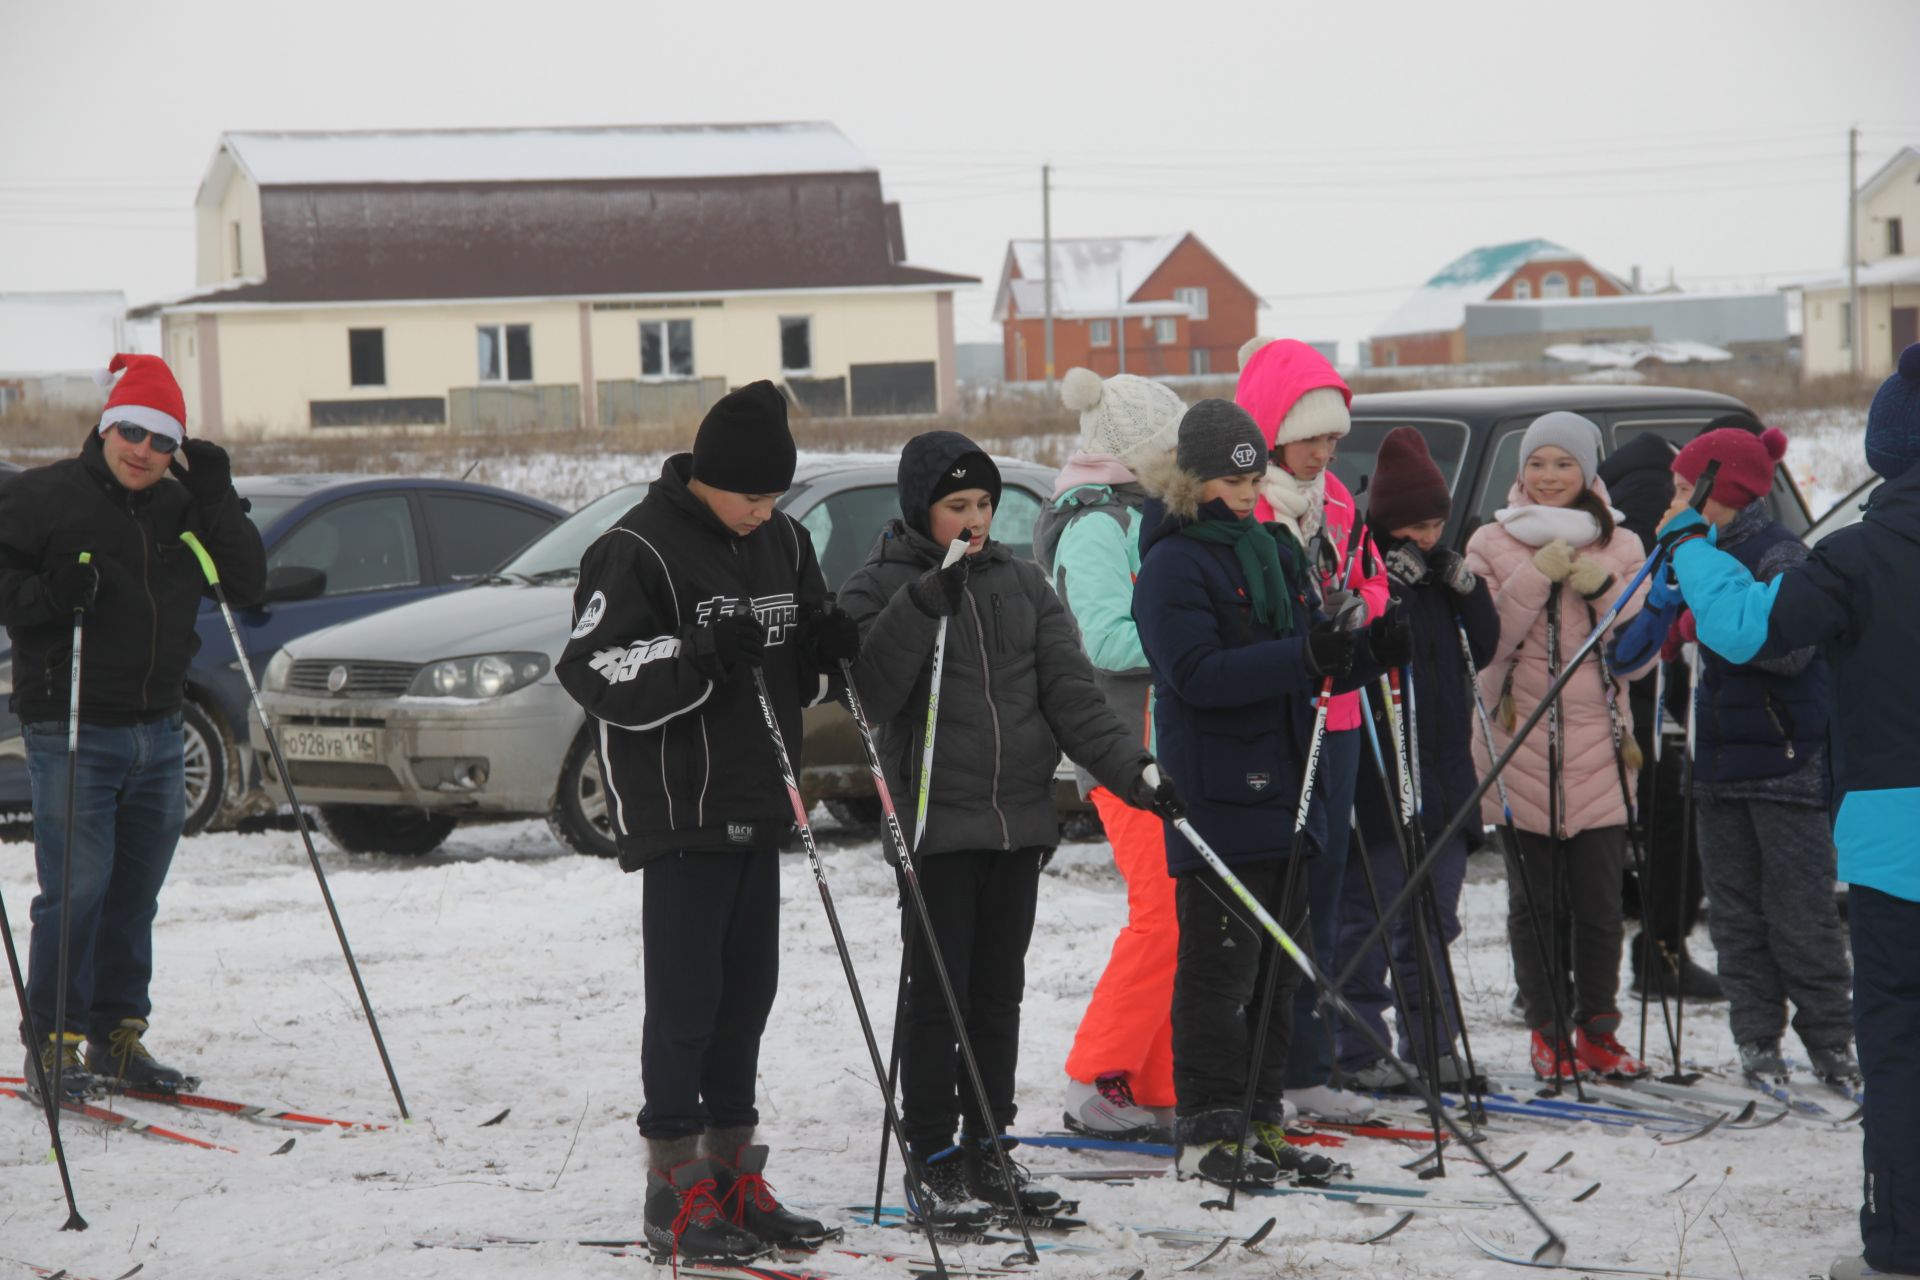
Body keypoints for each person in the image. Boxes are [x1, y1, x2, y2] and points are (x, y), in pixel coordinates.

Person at [556, 381, 858, 1263]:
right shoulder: (637, 548)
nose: (763, 514)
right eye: (750, 497)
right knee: (686, 1003)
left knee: (746, 996)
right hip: (681, 809)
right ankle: (672, 1185)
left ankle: (731, 1175)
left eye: (775, 498)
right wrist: (692, 653)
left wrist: (823, 648)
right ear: (707, 480)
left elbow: (790, 661)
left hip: (760, 795)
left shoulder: (785, 541)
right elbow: (593, 668)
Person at [839, 428, 1172, 1225]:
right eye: (958, 506)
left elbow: (1073, 699)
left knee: (996, 998)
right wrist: (923, 603)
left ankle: (989, 1148)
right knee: (937, 1000)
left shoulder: (1022, 585)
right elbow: (868, 691)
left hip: (1015, 826)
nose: (976, 519)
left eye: (985, 503)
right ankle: (934, 1156)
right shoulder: (879, 586)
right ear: (923, 509)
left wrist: (1136, 771)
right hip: (935, 830)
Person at [1657, 345, 1920, 1280]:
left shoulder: (1856, 555)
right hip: (1893, 833)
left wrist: (1689, 544)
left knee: (1897, 1031)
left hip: (1900, 842)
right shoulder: (1851, 552)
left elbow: (1742, 626)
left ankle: (1903, 1239)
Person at [1133, 398, 1405, 1188]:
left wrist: (1365, 654)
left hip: (1291, 784)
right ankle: (1209, 1132)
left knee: (1279, 972)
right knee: (1221, 972)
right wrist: (1304, 658)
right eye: (1228, 482)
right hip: (1217, 794)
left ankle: (1260, 1121)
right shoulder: (1173, 564)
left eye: (1253, 483)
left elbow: (1308, 664)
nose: (1246, 499)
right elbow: (1197, 676)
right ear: (1192, 481)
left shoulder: (1272, 552)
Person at [0, 353, 265, 1101]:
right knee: (76, 891)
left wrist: (218, 495)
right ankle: (53, 1043)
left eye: (159, 439)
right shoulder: (44, 497)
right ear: (105, 425)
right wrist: (49, 594)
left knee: (133, 894)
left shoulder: (185, 507)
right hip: (72, 725)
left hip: (159, 729)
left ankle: (118, 1038)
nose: (141, 451)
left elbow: (247, 584)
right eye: (130, 431)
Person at [1660, 426, 1856, 1087]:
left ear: (1726, 492)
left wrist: (1706, 628)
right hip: (1718, 766)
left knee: (1800, 914)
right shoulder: (1690, 553)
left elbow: (1794, 647)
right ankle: (1755, 1039)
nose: (1676, 499)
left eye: (1687, 488)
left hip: (1785, 764)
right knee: (1735, 914)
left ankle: (1831, 1041)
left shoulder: (1781, 555)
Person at [1464, 411, 1654, 1082]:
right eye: (1538, 463)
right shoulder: (1491, 542)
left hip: (1601, 751)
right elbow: (1484, 645)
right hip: (1519, 747)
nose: (1549, 477)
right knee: (1536, 906)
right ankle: (1548, 1033)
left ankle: (1599, 1032)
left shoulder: (1623, 546)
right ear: (1521, 471)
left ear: (1588, 472)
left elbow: (1636, 659)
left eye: (1563, 464)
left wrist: (1602, 589)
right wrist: (1534, 578)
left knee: (1602, 906)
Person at [1235, 336, 1389, 1124]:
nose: (1322, 455)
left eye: (1333, 440)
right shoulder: (1246, 501)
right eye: (1310, 439)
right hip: (1280, 716)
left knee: (1325, 890)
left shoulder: (1336, 501)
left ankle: (1310, 1063)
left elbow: (1371, 578)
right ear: (1270, 430)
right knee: (1278, 894)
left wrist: (1364, 605)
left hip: (1344, 715)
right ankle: (1262, 1066)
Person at [1033, 368, 1186, 1139]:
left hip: (1167, 748)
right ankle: (1092, 1076)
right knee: (1159, 916)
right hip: (1122, 751)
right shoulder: (1095, 524)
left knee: (1179, 917)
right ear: (1135, 451)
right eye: (1170, 447)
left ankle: (1152, 1082)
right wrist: (1193, 644)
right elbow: (1101, 640)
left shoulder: (1143, 512)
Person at [1335, 427, 1499, 1088]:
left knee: (1436, 919)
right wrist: (1386, 594)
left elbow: (1481, 649)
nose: (1428, 537)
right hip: (1382, 777)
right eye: (1415, 525)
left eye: (1436, 523)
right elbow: (1359, 651)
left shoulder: (1442, 573)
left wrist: (1468, 589)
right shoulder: (1365, 568)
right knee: (1368, 923)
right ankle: (1356, 1050)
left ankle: (1433, 1045)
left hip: (1447, 776)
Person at [1595, 428, 1723, 1002]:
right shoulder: (1654, 490)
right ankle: (1662, 953)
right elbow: (1658, 578)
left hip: (1613, 686)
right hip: (1641, 682)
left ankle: (1567, 972)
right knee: (1671, 817)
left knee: (1588, 829)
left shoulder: (1619, 483)